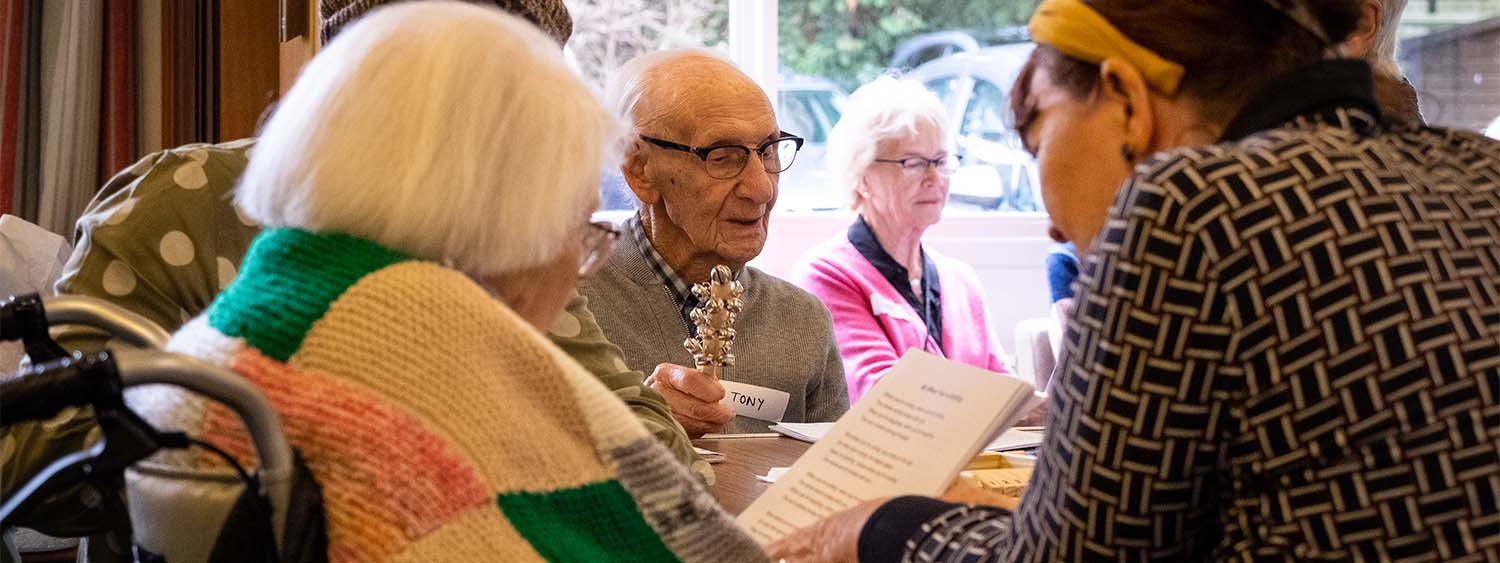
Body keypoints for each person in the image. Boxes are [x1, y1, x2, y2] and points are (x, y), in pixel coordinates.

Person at [769, 0, 1500, 561]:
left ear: (1125, 96)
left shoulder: (1190, 206)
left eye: (1037, 133)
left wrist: (879, 523)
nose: (1053, 228)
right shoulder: (1481, 175)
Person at [132, 4, 762, 560]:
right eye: (581, 234)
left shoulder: (260, 317)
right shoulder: (413, 355)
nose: (577, 267)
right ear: (497, 226)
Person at [581, 49, 848, 435]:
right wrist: (637, 419)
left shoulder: (802, 321)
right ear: (640, 170)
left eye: (769, 150)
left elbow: (836, 480)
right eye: (722, 157)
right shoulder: (565, 306)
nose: (761, 188)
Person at [789, 76, 1013, 405]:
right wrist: (995, 402)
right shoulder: (825, 274)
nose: (934, 178)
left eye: (940, 161)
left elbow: (1009, 392)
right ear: (862, 175)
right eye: (914, 163)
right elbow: (886, 396)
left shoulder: (961, 280)